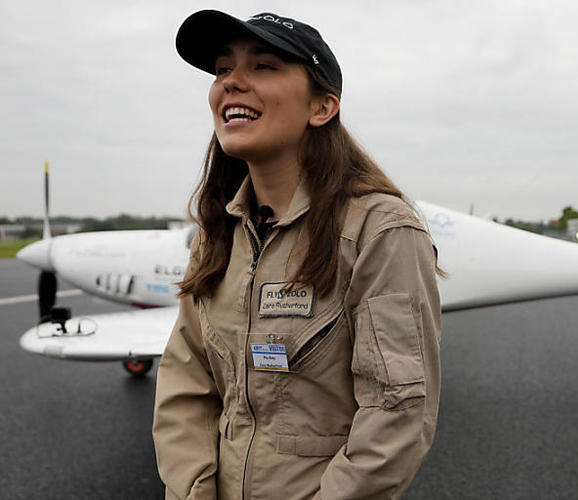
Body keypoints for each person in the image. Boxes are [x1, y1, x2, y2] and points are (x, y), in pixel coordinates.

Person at [152, 10, 442, 499]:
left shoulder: (379, 230)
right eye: (223, 69)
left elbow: (395, 414)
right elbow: (185, 383)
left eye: (264, 66)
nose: (231, 82)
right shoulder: (218, 234)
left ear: (322, 107)